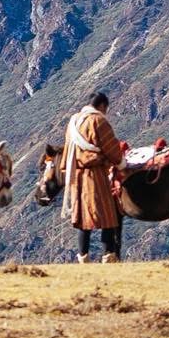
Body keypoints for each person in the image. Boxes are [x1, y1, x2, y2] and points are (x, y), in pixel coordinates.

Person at [61, 92, 125, 263]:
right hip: (95, 174)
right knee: (107, 215)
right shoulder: (98, 121)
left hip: (77, 175)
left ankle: (83, 256)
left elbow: (67, 149)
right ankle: (108, 255)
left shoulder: (73, 122)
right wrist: (121, 163)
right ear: (103, 106)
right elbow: (111, 147)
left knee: (83, 218)